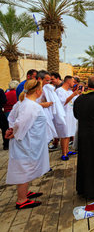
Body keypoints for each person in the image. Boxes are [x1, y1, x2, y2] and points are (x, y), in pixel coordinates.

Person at [5, 79, 50, 209]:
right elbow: (20, 123)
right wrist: (14, 132)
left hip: (27, 141)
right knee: (24, 168)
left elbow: (12, 119)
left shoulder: (22, 103)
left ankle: (24, 192)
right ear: (38, 91)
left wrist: (11, 130)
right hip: (26, 143)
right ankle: (21, 199)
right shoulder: (31, 106)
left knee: (26, 167)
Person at [55, 76, 81, 160]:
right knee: (64, 134)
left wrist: (78, 94)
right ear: (68, 81)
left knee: (69, 134)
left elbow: (74, 101)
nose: (74, 84)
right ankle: (64, 153)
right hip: (64, 115)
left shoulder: (69, 91)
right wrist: (73, 94)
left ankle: (67, 150)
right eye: (73, 82)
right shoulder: (59, 91)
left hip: (70, 115)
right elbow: (62, 103)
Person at [2, 81, 19, 150]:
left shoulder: (6, 94)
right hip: (14, 111)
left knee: (8, 127)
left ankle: (7, 143)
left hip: (7, 111)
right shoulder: (17, 93)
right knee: (16, 127)